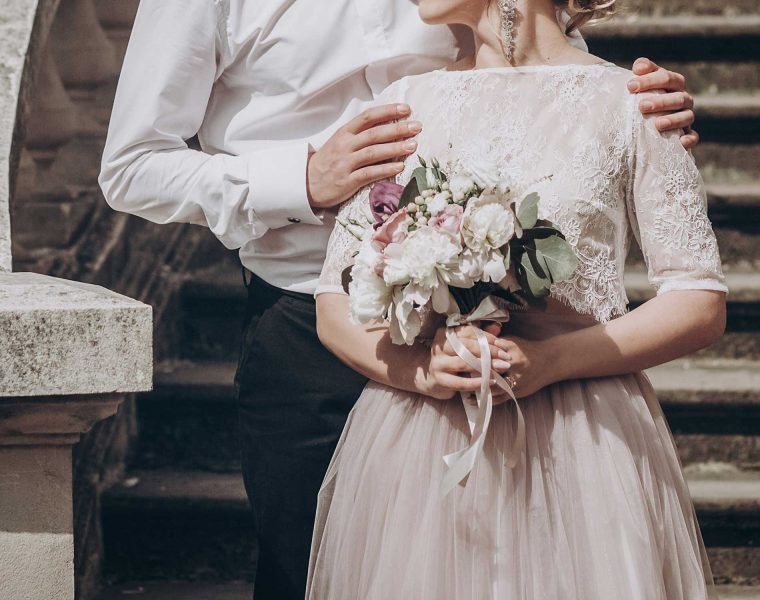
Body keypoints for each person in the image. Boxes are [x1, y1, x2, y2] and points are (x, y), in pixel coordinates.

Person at [98, 1, 701, 597]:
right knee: (312, 574)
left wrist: (635, 105)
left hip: (514, 334)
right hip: (312, 322)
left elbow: (529, 56)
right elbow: (130, 166)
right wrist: (300, 181)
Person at [308, 0, 728, 598]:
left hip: (582, 438)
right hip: (425, 446)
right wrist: (421, 370)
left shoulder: (630, 103)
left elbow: (698, 298)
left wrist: (553, 362)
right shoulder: (404, 103)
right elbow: (334, 299)